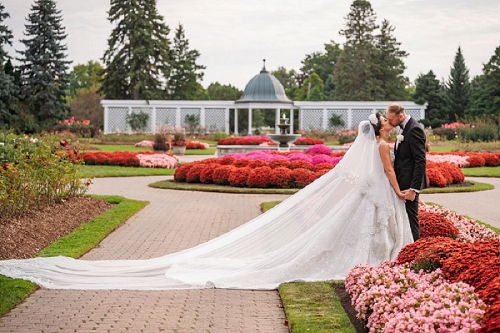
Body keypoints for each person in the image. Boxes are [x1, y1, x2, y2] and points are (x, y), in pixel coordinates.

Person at [0, 113, 414, 290]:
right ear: (379, 129)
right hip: (378, 195)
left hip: (371, 197)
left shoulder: (371, 148)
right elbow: (385, 174)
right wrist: (397, 190)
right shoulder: (378, 149)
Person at [386, 103, 427, 241]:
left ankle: (415, 251)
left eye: (390, 119)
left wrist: (413, 189)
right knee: (405, 220)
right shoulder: (402, 128)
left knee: (411, 220)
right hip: (401, 182)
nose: (389, 122)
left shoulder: (414, 129)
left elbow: (420, 161)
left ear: (401, 116)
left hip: (409, 185)